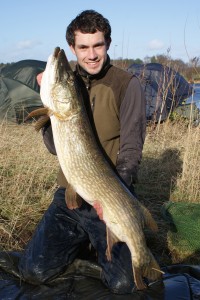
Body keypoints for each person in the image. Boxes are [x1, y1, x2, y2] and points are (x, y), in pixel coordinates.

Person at [18, 10, 146, 294]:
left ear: (107, 44)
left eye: (97, 45)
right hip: (70, 195)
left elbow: (131, 149)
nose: (91, 54)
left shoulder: (126, 85)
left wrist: (114, 197)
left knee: (126, 284)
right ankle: (85, 252)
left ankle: (106, 245)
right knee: (33, 271)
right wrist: (49, 102)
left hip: (110, 194)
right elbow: (54, 147)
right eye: (83, 47)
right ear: (74, 48)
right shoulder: (66, 83)